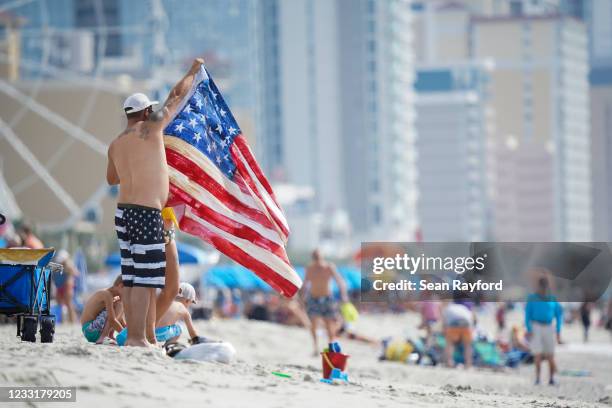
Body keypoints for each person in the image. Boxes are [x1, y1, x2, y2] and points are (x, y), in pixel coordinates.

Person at [106, 58, 204, 347]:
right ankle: (137, 337)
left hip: (123, 214)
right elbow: (176, 96)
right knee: (146, 280)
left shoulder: (115, 143)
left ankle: (141, 336)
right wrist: (192, 72)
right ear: (147, 112)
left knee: (135, 279)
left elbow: (112, 179)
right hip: (146, 212)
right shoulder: (150, 129)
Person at [300, 249, 348, 355]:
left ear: (322, 257)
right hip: (313, 298)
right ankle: (316, 347)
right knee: (313, 324)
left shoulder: (329, 267)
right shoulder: (309, 269)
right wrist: (302, 299)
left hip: (327, 298)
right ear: (313, 258)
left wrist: (344, 296)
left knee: (329, 324)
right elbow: (305, 284)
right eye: (316, 258)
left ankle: (331, 347)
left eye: (319, 257)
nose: (318, 260)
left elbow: (340, 281)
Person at [525, 277, 563, 385]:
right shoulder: (532, 298)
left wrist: (558, 331)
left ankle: (551, 379)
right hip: (536, 326)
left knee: (550, 354)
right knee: (537, 354)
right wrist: (529, 329)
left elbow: (559, 316)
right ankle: (537, 379)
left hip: (549, 326)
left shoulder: (552, 298)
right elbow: (528, 315)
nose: (544, 288)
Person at [81, 275, 125, 344]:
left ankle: (109, 336)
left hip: (90, 330)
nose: (129, 295)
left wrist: (128, 331)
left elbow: (120, 319)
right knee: (119, 304)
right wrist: (126, 336)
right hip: (90, 330)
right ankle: (104, 337)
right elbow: (112, 320)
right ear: (121, 286)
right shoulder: (107, 295)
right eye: (128, 292)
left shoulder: (113, 297)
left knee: (118, 303)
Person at [442, 300, 474, 368]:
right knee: (467, 345)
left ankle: (449, 362)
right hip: (466, 324)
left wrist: (444, 332)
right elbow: (471, 319)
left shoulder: (448, 308)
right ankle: (468, 364)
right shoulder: (463, 307)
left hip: (455, 323)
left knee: (450, 343)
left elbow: (445, 324)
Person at [51, 249, 80, 323]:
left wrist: (69, 273)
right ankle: (63, 320)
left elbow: (76, 274)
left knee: (69, 304)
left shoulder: (69, 265)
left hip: (67, 286)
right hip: (60, 287)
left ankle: (72, 321)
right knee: (60, 305)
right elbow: (54, 278)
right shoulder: (58, 265)